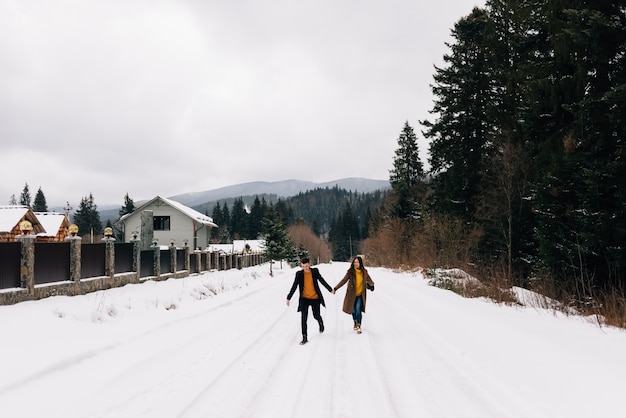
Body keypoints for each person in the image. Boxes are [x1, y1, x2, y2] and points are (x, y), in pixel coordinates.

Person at [286, 257, 335, 345]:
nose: (305, 268)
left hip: (315, 298)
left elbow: (322, 280)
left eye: (307, 266)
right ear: (301, 266)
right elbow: (294, 286)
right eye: (303, 266)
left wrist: (330, 289)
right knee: (303, 318)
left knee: (316, 315)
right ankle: (304, 337)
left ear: (310, 264)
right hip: (304, 299)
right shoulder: (299, 274)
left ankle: (320, 322)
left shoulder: (315, 271)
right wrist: (289, 297)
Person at [333, 255, 375, 334]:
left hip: (360, 294)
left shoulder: (364, 272)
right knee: (353, 310)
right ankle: (355, 322)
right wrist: (335, 288)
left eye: (357, 262)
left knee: (358, 310)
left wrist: (372, 285)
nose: (356, 264)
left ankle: (359, 325)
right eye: (354, 262)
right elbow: (344, 280)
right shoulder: (350, 272)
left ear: (360, 263)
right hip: (351, 295)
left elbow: (369, 279)